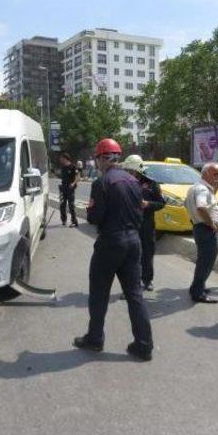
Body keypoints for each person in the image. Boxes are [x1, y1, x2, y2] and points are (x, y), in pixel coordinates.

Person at [73, 138, 153, 361]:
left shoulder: (102, 183)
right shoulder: (133, 180)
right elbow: (140, 212)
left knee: (99, 294)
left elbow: (94, 217)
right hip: (133, 241)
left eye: (97, 159)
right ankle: (144, 345)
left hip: (111, 243)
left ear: (101, 159)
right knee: (135, 295)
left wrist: (93, 212)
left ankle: (95, 339)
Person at [121, 155, 165, 292]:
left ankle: (147, 280)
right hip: (129, 225)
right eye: (127, 170)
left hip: (146, 225)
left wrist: (148, 204)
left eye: (131, 170)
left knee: (147, 253)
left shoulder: (152, 184)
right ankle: (130, 284)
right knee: (130, 256)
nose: (129, 173)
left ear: (138, 170)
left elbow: (161, 203)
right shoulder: (123, 183)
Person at [185, 163, 218, 304]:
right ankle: (198, 293)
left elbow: (187, 204)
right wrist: (211, 224)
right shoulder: (202, 189)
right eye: (215, 174)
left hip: (199, 227)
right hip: (206, 229)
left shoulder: (197, 187)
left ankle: (197, 287)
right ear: (205, 174)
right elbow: (201, 207)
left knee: (203, 261)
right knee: (206, 262)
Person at [59, 152, 79, 227]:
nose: (60, 160)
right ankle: (64, 220)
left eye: (61, 158)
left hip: (70, 189)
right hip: (63, 189)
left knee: (71, 205)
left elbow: (77, 177)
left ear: (65, 158)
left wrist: (73, 183)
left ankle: (74, 221)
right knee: (62, 205)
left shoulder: (73, 167)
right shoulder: (63, 167)